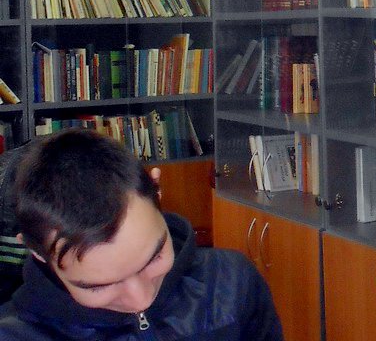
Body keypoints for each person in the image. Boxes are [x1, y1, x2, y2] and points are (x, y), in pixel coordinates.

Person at [0, 128, 284, 341]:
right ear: (37, 251)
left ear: (157, 193)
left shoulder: (233, 283)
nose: (141, 299)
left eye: (154, 258)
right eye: (98, 287)